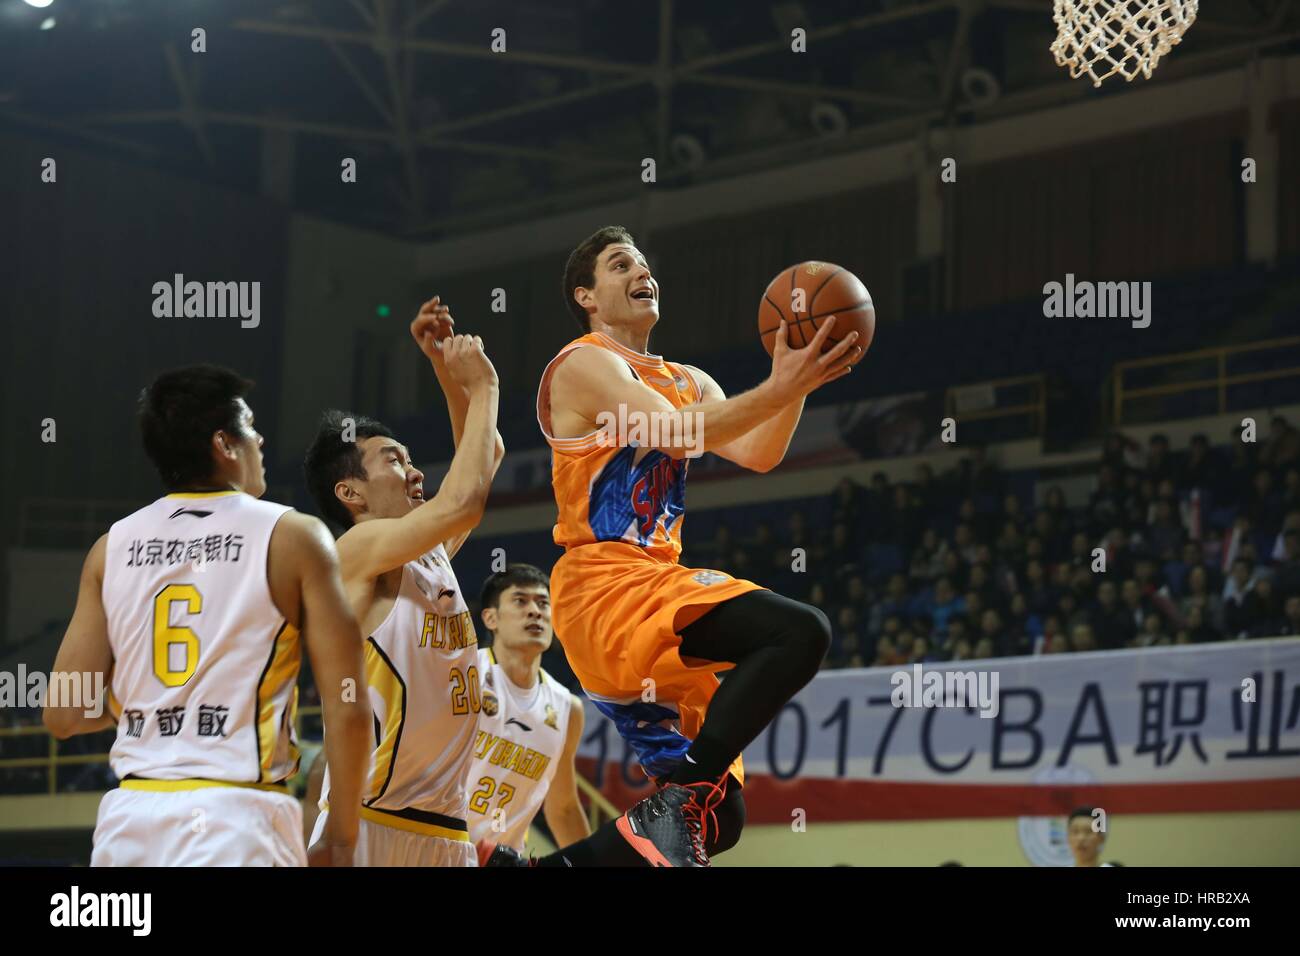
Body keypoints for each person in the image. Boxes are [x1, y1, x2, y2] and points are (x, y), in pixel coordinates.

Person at [532, 226, 857, 867]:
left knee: (722, 818)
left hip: (653, 592)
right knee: (798, 632)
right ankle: (675, 804)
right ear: (587, 296)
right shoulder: (583, 362)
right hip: (604, 586)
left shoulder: (689, 378)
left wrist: (794, 381)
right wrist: (778, 388)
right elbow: (677, 433)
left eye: (644, 262)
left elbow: (760, 452)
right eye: (620, 264)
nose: (640, 271)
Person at [45, 366, 370, 866]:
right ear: (225, 444)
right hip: (236, 821)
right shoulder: (296, 537)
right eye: (251, 427)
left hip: (129, 825)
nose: (261, 439)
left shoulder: (110, 548)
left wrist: (149, 698)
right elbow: (347, 706)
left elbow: (64, 714)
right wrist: (340, 838)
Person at [303, 298, 504, 866]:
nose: (416, 472)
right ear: (351, 493)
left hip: (446, 830)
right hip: (371, 823)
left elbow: (481, 461)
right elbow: (466, 495)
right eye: (394, 460)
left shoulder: (428, 553)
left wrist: (444, 367)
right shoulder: (357, 550)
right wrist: (482, 384)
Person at [468, 564, 590, 859]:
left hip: (500, 860)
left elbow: (562, 808)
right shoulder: (464, 675)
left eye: (543, 603)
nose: (535, 611)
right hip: (435, 851)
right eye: (520, 601)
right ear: (491, 618)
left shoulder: (567, 707)